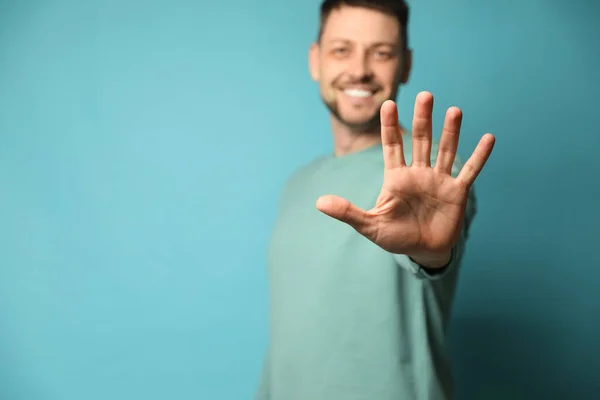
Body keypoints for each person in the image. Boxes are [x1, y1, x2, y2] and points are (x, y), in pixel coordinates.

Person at [256, 1, 495, 399]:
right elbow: (289, 347)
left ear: (405, 64)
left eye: (382, 53)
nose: (360, 69)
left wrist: (430, 254)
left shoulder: (435, 180)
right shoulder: (297, 185)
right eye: (341, 49)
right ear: (316, 60)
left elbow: (432, 251)